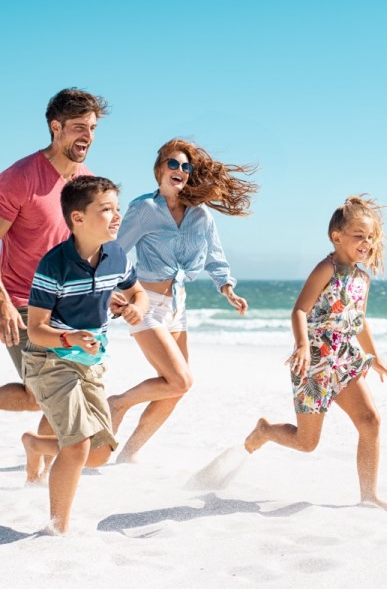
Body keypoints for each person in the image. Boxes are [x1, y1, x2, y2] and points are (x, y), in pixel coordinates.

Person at [244, 195, 387, 514]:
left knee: (370, 421)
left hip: (345, 358)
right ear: (337, 237)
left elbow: (358, 322)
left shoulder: (362, 279)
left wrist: (376, 357)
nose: (366, 242)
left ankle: (369, 495)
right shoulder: (325, 269)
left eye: (370, 237)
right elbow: (300, 310)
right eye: (359, 235)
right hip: (314, 361)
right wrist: (302, 345)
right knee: (307, 443)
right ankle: (265, 431)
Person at [109, 138, 258, 463]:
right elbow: (114, 250)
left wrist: (227, 289)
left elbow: (215, 257)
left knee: (177, 388)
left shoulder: (200, 216)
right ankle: (117, 403)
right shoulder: (144, 210)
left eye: (185, 166)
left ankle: (129, 454)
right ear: (160, 169)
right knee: (179, 379)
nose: (179, 170)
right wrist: (111, 290)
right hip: (145, 303)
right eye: (173, 164)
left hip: (178, 307)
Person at [20, 176, 147, 534]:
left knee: (100, 452)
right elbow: (36, 329)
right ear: (77, 218)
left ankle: (35, 444)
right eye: (106, 209)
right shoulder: (53, 265)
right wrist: (69, 337)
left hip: (91, 361)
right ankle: (56, 529)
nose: (116, 216)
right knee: (76, 446)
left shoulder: (116, 255)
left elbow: (138, 293)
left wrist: (137, 306)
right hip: (50, 359)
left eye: (117, 209)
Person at [0, 88, 109, 414]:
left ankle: (39, 459)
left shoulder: (85, 180)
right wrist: (2, 302)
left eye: (92, 128)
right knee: (50, 396)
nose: (87, 136)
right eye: (79, 127)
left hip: (68, 306)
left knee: (60, 394)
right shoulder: (19, 178)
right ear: (55, 127)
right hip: (21, 304)